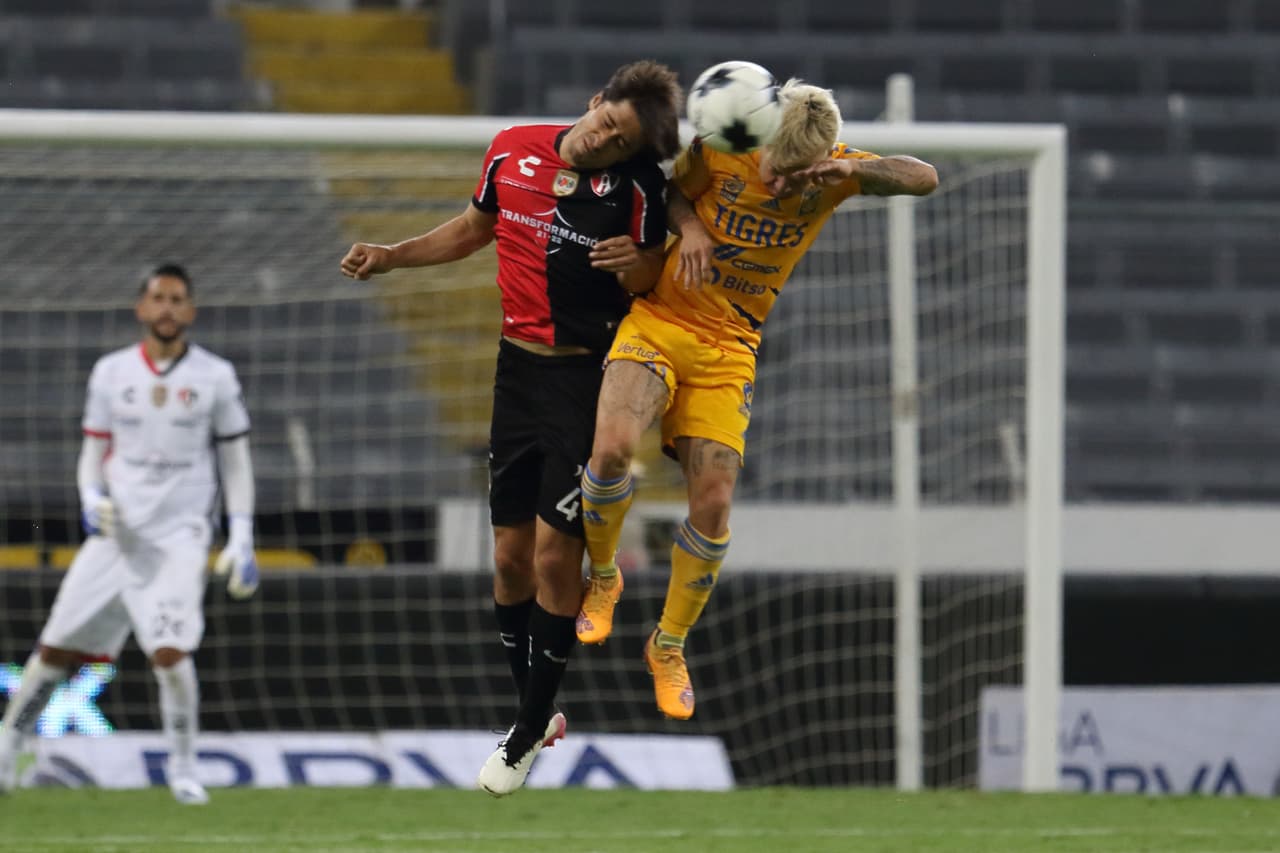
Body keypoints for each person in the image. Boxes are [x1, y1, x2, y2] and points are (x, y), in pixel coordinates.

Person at [338, 60, 683, 795]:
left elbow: (657, 279)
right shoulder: (511, 147)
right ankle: (537, 712)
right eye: (604, 120)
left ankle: (526, 729)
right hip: (515, 374)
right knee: (507, 559)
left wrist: (638, 263)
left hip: (588, 377)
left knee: (558, 559)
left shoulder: (639, 189)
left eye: (618, 138)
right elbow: (473, 230)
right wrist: (393, 256)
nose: (601, 138)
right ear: (593, 101)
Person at [576, 78, 939, 719]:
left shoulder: (835, 175)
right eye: (774, 168)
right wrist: (688, 228)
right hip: (662, 318)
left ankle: (668, 644)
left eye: (793, 175)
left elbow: (923, 177)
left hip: (731, 348)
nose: (777, 183)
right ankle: (603, 577)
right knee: (610, 454)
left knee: (713, 503)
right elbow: (668, 193)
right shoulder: (723, 145)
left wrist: (847, 168)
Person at [0, 264, 259, 804]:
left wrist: (240, 536)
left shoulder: (215, 376)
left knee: (170, 652)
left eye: (178, 299)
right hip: (116, 538)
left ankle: (184, 768)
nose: (167, 308)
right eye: (158, 298)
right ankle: (8, 746)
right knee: (53, 650)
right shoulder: (111, 373)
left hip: (179, 540)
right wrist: (91, 499)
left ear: (190, 311)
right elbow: (92, 454)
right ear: (141, 308)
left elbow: (236, 463)